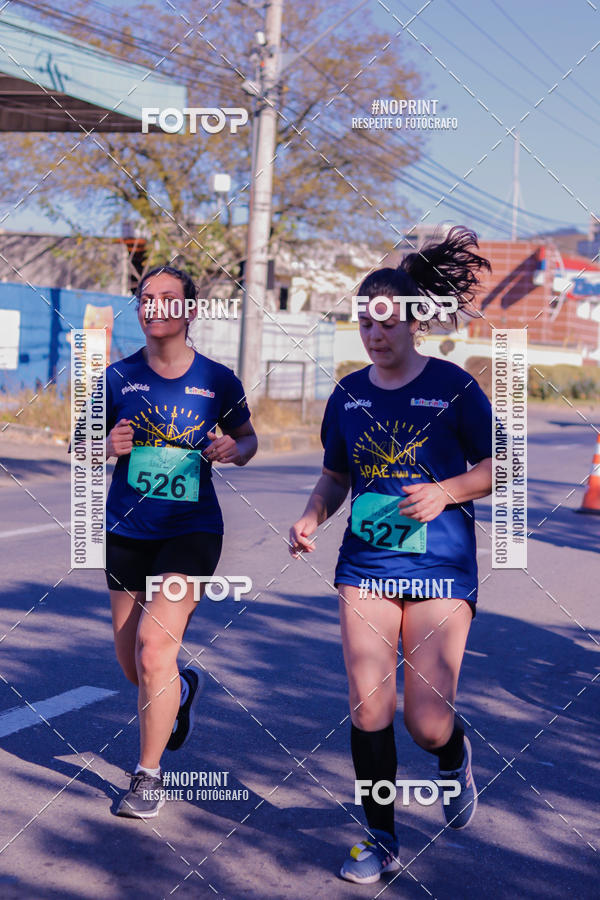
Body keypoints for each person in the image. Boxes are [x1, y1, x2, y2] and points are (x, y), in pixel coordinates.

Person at [289, 227, 493, 884]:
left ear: (413, 323)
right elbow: (335, 476)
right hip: (366, 569)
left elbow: (502, 466)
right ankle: (378, 836)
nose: (374, 336)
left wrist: (448, 490)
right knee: (368, 707)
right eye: (364, 323)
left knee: (427, 721)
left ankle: (453, 757)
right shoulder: (348, 395)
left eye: (386, 323)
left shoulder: (455, 388)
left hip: (440, 569)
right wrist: (309, 518)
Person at [104, 264, 257, 818]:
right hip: (127, 530)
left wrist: (235, 451)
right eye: (146, 297)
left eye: (168, 298)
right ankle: (182, 690)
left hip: (191, 531)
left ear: (190, 311)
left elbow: (248, 438)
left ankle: (147, 776)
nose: (154, 306)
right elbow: (83, 444)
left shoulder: (218, 381)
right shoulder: (116, 378)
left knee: (153, 648)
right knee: (134, 667)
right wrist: (107, 448)